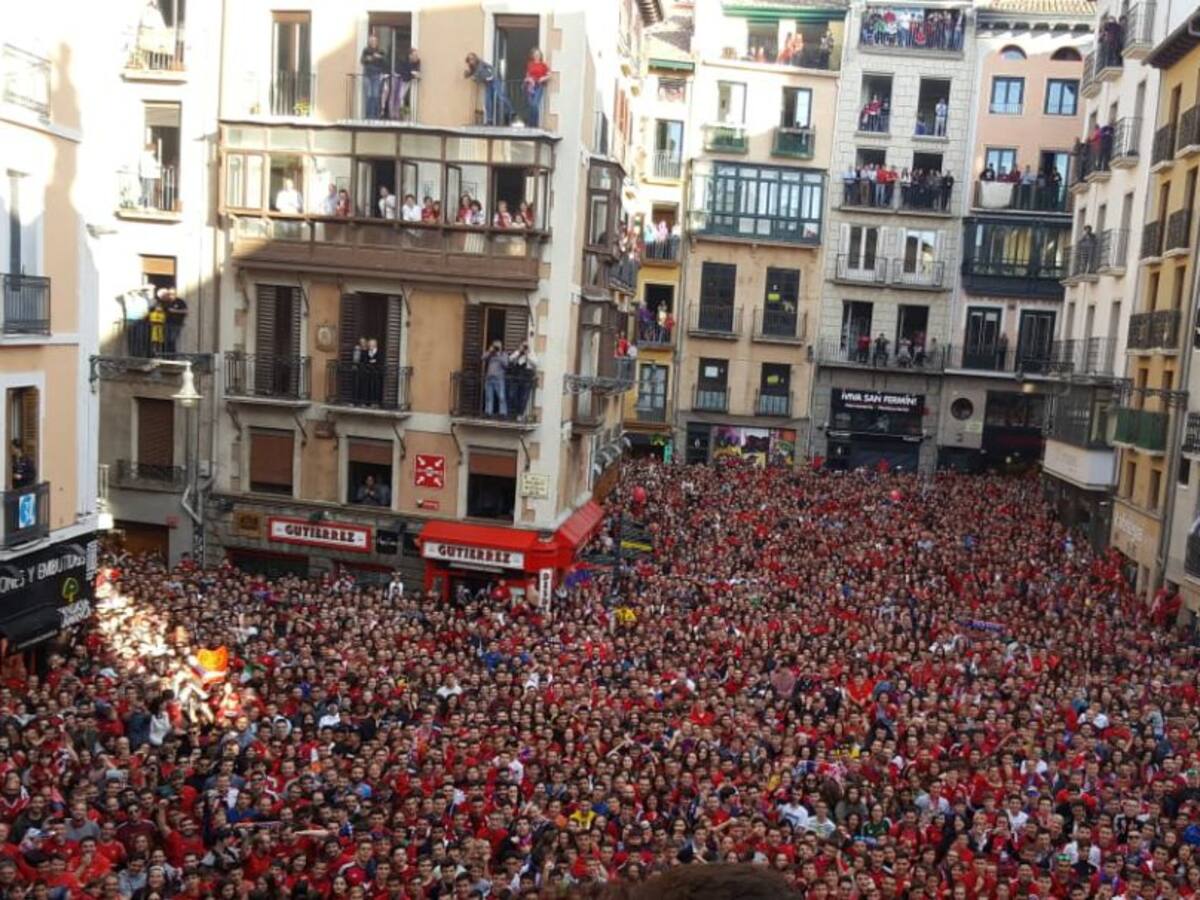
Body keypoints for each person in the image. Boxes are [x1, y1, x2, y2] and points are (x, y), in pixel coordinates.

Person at [464, 52, 511, 126]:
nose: (471, 61)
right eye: (469, 60)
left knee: (500, 96)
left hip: (494, 80)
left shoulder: (481, 63)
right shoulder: (472, 70)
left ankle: (510, 112)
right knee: (487, 102)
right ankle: (489, 120)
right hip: (487, 84)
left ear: (475, 58)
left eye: (472, 59)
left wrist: (492, 75)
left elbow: (491, 67)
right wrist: (471, 76)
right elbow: (476, 79)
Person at [506, 341, 537, 421]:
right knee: (512, 395)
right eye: (523, 346)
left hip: (526, 378)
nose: (524, 347)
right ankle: (513, 412)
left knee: (524, 397)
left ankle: (520, 414)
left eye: (525, 346)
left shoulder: (531, 353)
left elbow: (536, 363)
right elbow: (510, 359)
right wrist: (519, 352)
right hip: (516, 377)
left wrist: (527, 355)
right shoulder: (517, 353)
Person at [359, 34, 387, 119]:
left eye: (374, 41)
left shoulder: (381, 51)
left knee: (375, 95)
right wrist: (368, 59)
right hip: (367, 75)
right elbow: (362, 61)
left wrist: (380, 57)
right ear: (369, 42)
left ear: (377, 42)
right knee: (369, 95)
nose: (373, 42)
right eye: (371, 41)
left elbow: (386, 62)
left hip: (377, 75)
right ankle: (368, 116)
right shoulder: (366, 50)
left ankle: (375, 116)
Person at [387, 47, 420, 120]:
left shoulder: (417, 62)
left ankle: (400, 115)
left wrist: (414, 74)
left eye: (416, 55)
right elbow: (403, 72)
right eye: (414, 55)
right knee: (396, 97)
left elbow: (416, 71)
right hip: (399, 80)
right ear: (410, 55)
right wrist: (411, 74)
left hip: (406, 81)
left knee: (400, 97)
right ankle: (393, 115)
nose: (415, 57)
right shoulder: (404, 62)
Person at [523, 48, 551, 127]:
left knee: (535, 104)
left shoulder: (543, 65)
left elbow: (549, 75)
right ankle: (530, 124)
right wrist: (529, 79)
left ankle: (534, 124)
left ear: (540, 56)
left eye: (538, 54)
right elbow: (527, 75)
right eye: (535, 54)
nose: (537, 56)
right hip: (530, 86)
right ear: (533, 56)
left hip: (539, 85)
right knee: (531, 105)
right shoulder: (530, 64)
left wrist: (543, 78)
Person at [482, 340, 508, 416]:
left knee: (501, 397)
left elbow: (506, 364)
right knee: (488, 397)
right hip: (489, 378)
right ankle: (488, 412)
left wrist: (498, 355)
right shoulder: (490, 354)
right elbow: (482, 358)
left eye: (498, 346)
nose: (496, 348)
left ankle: (502, 413)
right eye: (495, 346)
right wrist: (490, 352)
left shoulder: (503, 354)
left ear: (501, 347)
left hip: (499, 379)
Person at [138, 141, 161, 208]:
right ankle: (145, 205)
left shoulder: (145, 156)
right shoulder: (147, 156)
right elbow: (153, 166)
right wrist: (158, 166)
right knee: (148, 192)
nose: (155, 151)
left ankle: (143, 205)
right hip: (148, 176)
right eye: (154, 149)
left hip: (145, 175)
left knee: (145, 192)